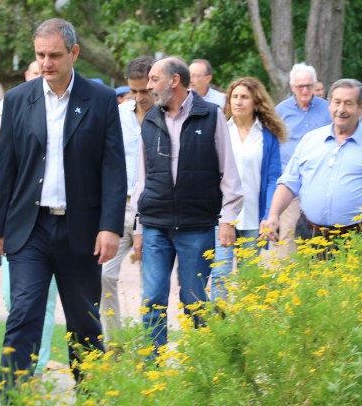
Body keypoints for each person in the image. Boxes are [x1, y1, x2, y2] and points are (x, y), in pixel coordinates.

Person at [0, 18, 126, 393]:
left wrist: (111, 226)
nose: (47, 63)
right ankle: (12, 398)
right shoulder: (18, 99)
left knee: (84, 324)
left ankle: (91, 395)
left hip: (81, 232)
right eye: (40, 55)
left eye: (54, 55)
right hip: (29, 229)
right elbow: (7, 169)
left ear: (74, 53)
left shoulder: (99, 100)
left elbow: (113, 168)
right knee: (23, 317)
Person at [131, 56, 242, 353]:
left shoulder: (212, 115)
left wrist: (229, 219)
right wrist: (138, 228)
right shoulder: (150, 118)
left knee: (193, 299)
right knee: (152, 298)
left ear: (174, 81)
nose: (149, 86)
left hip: (197, 224)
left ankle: (205, 363)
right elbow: (142, 178)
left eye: (155, 79)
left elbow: (228, 171)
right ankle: (152, 369)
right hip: (155, 224)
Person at [0, 61, 60, 373]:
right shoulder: (14, 104)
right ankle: (20, 365)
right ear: (27, 77)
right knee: (17, 302)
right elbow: (0, 176)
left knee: (44, 302)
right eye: (35, 72)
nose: (42, 77)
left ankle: (37, 364)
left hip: (58, 223)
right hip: (19, 225)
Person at [261, 79, 362, 248]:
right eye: (337, 102)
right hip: (310, 236)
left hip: (359, 239)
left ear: (361, 108)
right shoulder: (310, 140)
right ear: (329, 105)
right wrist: (273, 215)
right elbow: (289, 182)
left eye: (348, 104)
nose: (341, 109)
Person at [210, 77, 286, 304]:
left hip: (254, 217)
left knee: (248, 278)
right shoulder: (220, 130)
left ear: (256, 101)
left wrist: (269, 215)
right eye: (234, 97)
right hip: (223, 216)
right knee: (220, 275)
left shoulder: (267, 136)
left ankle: (245, 327)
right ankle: (219, 327)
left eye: (244, 97)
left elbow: (273, 178)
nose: (238, 102)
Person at [100, 56, 156, 341]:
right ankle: (115, 343)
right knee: (104, 277)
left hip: (152, 210)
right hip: (118, 207)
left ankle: (149, 345)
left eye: (145, 90)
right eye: (133, 91)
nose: (139, 97)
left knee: (152, 285)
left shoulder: (166, 117)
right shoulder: (118, 115)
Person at [273, 63, 331, 257]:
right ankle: (288, 280)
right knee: (288, 233)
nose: (305, 90)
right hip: (292, 183)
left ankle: (316, 276)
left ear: (315, 85)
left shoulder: (327, 109)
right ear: (292, 87)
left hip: (321, 182)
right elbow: (273, 145)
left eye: (309, 85)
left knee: (320, 234)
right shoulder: (281, 110)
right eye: (300, 87)